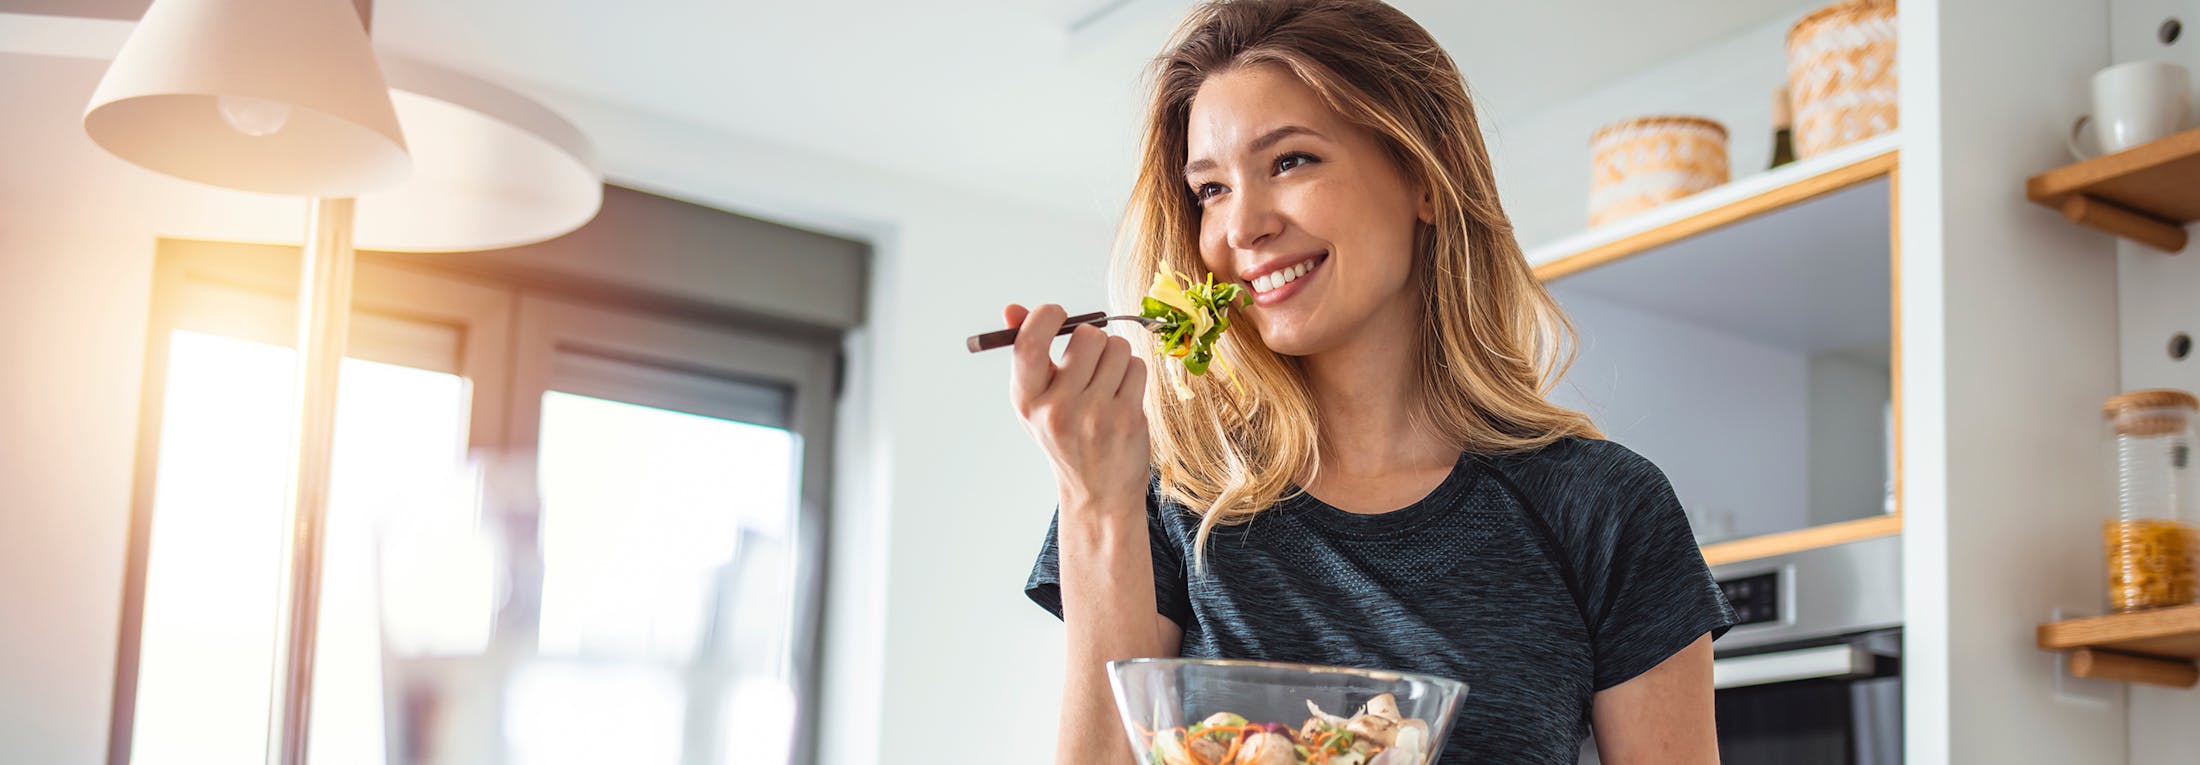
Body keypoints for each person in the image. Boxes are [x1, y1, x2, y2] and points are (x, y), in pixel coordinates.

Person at [1004, 1, 1735, 762]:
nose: (1242, 227)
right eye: (1211, 189)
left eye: (1291, 161)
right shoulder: (1164, 494)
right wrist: (1095, 504)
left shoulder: (1607, 509)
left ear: (1428, 175)